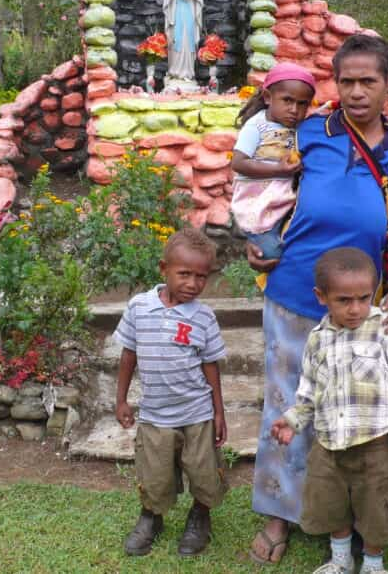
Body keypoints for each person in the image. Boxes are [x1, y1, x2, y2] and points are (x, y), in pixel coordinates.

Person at [247, 34, 388, 565]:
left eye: (366, 81)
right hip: (294, 293)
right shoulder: (308, 133)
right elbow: (261, 191)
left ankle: (348, 517)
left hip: (363, 309)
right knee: (287, 404)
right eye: (345, 81)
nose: (355, 92)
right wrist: (254, 238)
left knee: (356, 409)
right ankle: (279, 515)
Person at [271, 247, 388, 574]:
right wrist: (291, 421)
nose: (355, 309)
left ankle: (373, 564)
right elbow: (308, 390)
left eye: (364, 298)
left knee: (375, 504)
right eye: (344, 300)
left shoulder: (384, 328)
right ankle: (340, 560)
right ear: (321, 297)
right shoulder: (317, 339)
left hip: (374, 442)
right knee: (331, 502)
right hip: (327, 444)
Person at [112, 228, 228, 557]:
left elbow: (211, 365)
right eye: (185, 274)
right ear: (164, 269)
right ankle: (151, 516)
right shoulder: (139, 308)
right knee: (154, 474)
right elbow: (128, 355)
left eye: (201, 277)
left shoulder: (204, 317)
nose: (193, 284)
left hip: (197, 413)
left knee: (204, 471)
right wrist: (121, 399)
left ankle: (200, 516)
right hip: (155, 414)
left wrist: (219, 411)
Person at [230, 62, 316, 260]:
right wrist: (279, 169)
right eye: (287, 100)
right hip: (258, 198)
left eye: (303, 104)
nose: (294, 109)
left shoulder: (299, 125)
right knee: (271, 253)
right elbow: (239, 163)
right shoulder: (257, 126)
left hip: (284, 197)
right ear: (268, 97)